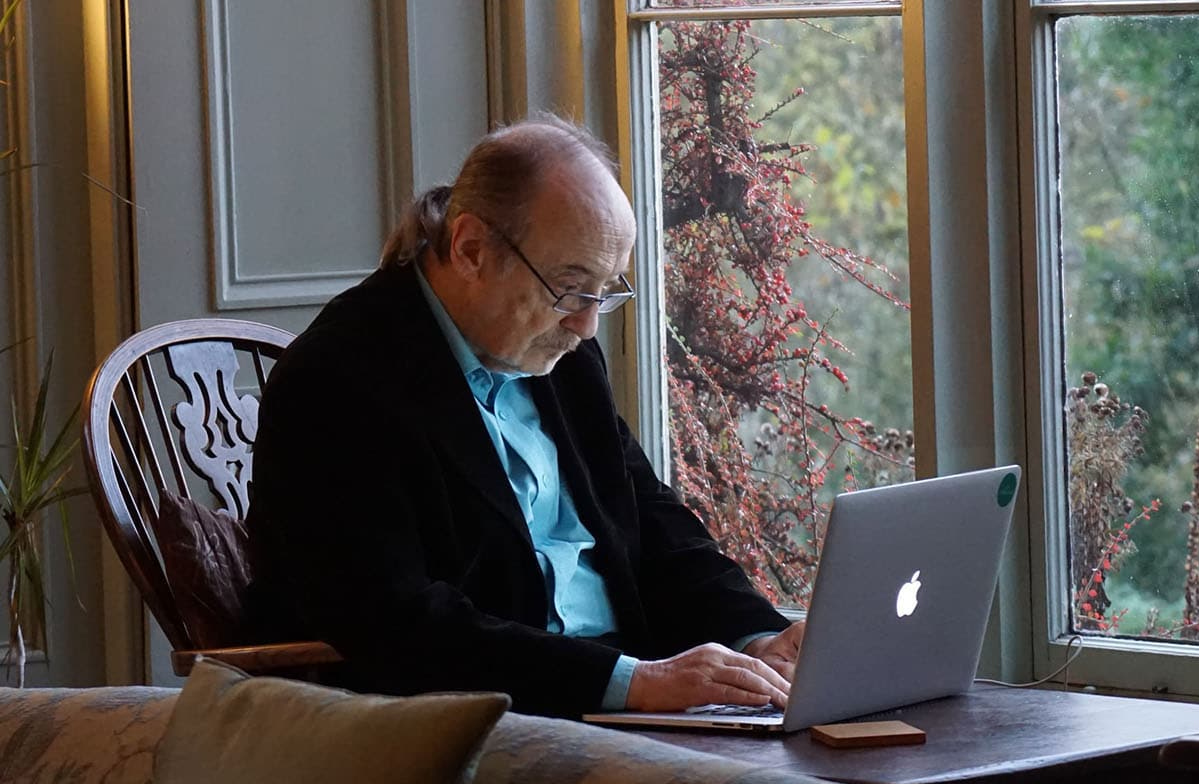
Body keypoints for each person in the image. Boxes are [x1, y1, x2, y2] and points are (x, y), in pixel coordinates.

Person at [247, 116, 804, 716]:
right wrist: (634, 682)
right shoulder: (336, 381)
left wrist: (757, 637)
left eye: (604, 291)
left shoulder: (562, 355)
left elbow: (650, 521)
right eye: (570, 288)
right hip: (472, 722)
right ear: (471, 250)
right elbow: (399, 623)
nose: (586, 325)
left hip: (622, 699)